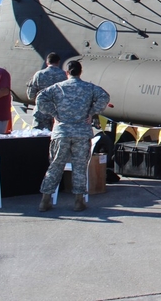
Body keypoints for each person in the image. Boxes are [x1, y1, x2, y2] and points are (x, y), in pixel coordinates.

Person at [37, 60, 110, 212]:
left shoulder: (58, 87)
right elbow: (104, 96)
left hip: (61, 132)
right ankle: (78, 201)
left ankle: (45, 200)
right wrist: (91, 112)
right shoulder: (89, 88)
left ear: (67, 72)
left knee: (55, 166)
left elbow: (40, 99)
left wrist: (54, 113)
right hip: (82, 133)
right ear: (80, 72)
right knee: (80, 167)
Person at [26, 52, 67, 130]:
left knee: (37, 138)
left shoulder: (39, 74)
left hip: (41, 112)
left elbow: (30, 95)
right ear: (58, 62)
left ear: (47, 62)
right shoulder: (64, 75)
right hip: (57, 114)